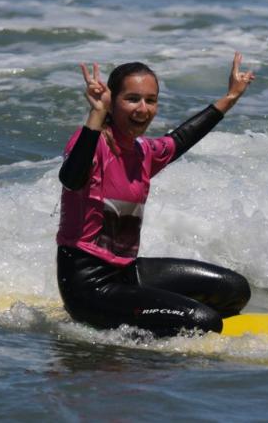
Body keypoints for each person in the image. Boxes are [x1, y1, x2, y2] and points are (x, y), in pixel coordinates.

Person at [56, 52, 256, 338]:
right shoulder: (91, 142)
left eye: (151, 100)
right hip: (88, 284)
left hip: (126, 274)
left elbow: (182, 137)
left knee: (234, 290)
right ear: (112, 101)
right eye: (132, 99)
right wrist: (96, 115)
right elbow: (71, 178)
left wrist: (231, 97)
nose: (143, 108)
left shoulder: (144, 152)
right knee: (204, 320)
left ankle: (151, 315)